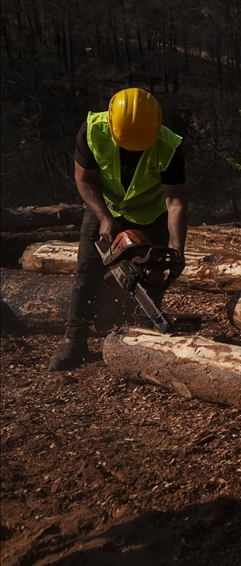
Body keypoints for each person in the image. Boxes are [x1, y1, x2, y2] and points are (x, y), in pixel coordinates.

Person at [49, 88, 188, 370]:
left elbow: (174, 202)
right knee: (88, 272)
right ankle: (73, 339)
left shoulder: (169, 146)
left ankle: (146, 336)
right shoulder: (93, 131)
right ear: (112, 124)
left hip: (151, 214)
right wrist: (103, 216)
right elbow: (84, 180)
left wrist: (177, 248)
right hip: (106, 207)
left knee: (152, 273)